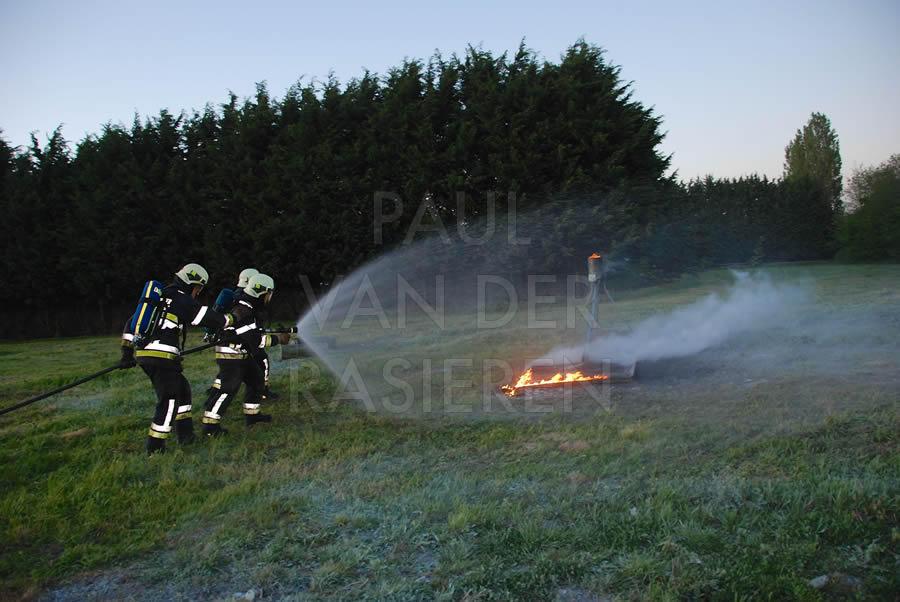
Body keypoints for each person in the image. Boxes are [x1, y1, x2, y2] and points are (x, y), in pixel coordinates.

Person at [120, 263, 242, 454]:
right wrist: (232, 318)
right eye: (198, 288)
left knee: (183, 390)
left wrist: (127, 353)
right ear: (193, 284)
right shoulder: (181, 298)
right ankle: (155, 447)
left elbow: (131, 323)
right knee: (169, 399)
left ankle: (186, 435)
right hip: (162, 357)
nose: (198, 293)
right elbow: (205, 317)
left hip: (147, 354)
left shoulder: (159, 296)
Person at [202, 273, 289, 436]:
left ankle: (252, 416)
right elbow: (254, 340)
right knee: (228, 389)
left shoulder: (247, 306)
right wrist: (278, 339)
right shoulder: (243, 309)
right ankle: (210, 426)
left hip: (241, 353)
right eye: (268, 293)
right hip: (231, 355)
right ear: (261, 292)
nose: (269, 297)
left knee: (257, 380)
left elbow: (251, 334)